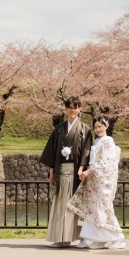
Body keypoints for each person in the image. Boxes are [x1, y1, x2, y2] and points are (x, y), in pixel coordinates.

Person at [39, 96, 93, 248]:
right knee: (61, 205)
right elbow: (52, 151)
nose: (72, 111)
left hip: (77, 173)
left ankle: (82, 238)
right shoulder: (59, 129)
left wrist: (82, 168)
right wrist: (51, 172)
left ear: (80, 109)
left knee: (77, 205)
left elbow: (87, 151)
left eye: (75, 108)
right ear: (65, 109)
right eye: (69, 108)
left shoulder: (85, 130)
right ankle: (62, 238)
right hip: (61, 171)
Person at [66, 116, 126, 250]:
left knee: (104, 209)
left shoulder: (108, 141)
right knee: (93, 209)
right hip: (94, 180)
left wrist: (88, 171)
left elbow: (106, 162)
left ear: (106, 126)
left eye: (100, 126)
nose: (98, 129)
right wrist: (86, 171)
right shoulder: (97, 141)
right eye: (96, 127)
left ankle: (118, 238)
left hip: (104, 181)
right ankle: (100, 239)